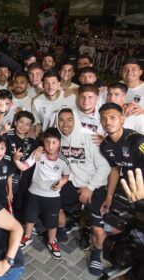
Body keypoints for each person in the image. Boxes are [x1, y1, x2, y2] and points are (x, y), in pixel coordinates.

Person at [55, 108, 111, 276]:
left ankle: (96, 254)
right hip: (72, 183)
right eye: (61, 120)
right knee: (51, 199)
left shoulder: (90, 137)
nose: (65, 124)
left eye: (69, 119)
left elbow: (105, 167)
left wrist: (90, 187)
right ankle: (61, 228)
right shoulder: (58, 139)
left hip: (95, 185)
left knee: (98, 230)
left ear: (76, 120)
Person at [13, 127, 69, 260]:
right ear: (43, 142)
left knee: (52, 222)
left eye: (54, 142)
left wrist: (62, 182)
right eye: (47, 142)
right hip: (34, 193)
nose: (50, 146)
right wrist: (16, 160)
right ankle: (27, 237)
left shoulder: (63, 160)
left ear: (59, 143)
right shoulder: (38, 154)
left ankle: (51, 241)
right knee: (30, 217)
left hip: (52, 196)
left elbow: (66, 176)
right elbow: (24, 166)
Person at [99, 103, 144, 212]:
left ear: (122, 120)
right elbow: (115, 170)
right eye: (103, 118)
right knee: (114, 222)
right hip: (127, 185)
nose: (108, 122)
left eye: (112, 117)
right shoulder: (105, 145)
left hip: (141, 188)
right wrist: (109, 198)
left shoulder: (137, 141)